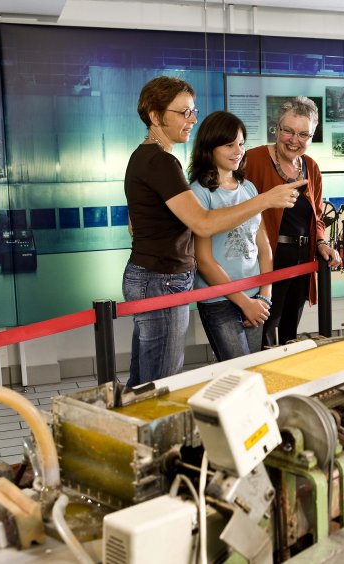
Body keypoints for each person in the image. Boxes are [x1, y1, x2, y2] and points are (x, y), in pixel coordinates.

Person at [123, 76, 303, 387]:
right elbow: (203, 223)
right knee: (159, 384)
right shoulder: (160, 162)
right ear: (155, 116)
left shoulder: (154, 159)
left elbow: (137, 223)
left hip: (159, 276)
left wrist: (262, 293)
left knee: (146, 381)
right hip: (161, 279)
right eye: (183, 113)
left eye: (193, 111)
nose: (191, 119)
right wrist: (266, 200)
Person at [244, 96, 341, 347]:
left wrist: (320, 243)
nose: (294, 140)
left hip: (302, 259)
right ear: (276, 128)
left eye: (303, 135)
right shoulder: (252, 160)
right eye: (288, 131)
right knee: (264, 330)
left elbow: (317, 216)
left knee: (289, 332)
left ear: (311, 137)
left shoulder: (311, 167)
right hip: (266, 259)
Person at [188, 111, 271, 361]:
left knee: (254, 367)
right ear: (210, 147)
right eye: (229, 144)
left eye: (242, 143)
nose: (238, 151)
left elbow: (263, 244)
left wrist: (265, 295)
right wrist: (244, 303)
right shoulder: (199, 193)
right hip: (219, 300)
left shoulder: (249, 188)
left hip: (257, 295)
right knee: (238, 370)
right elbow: (203, 261)